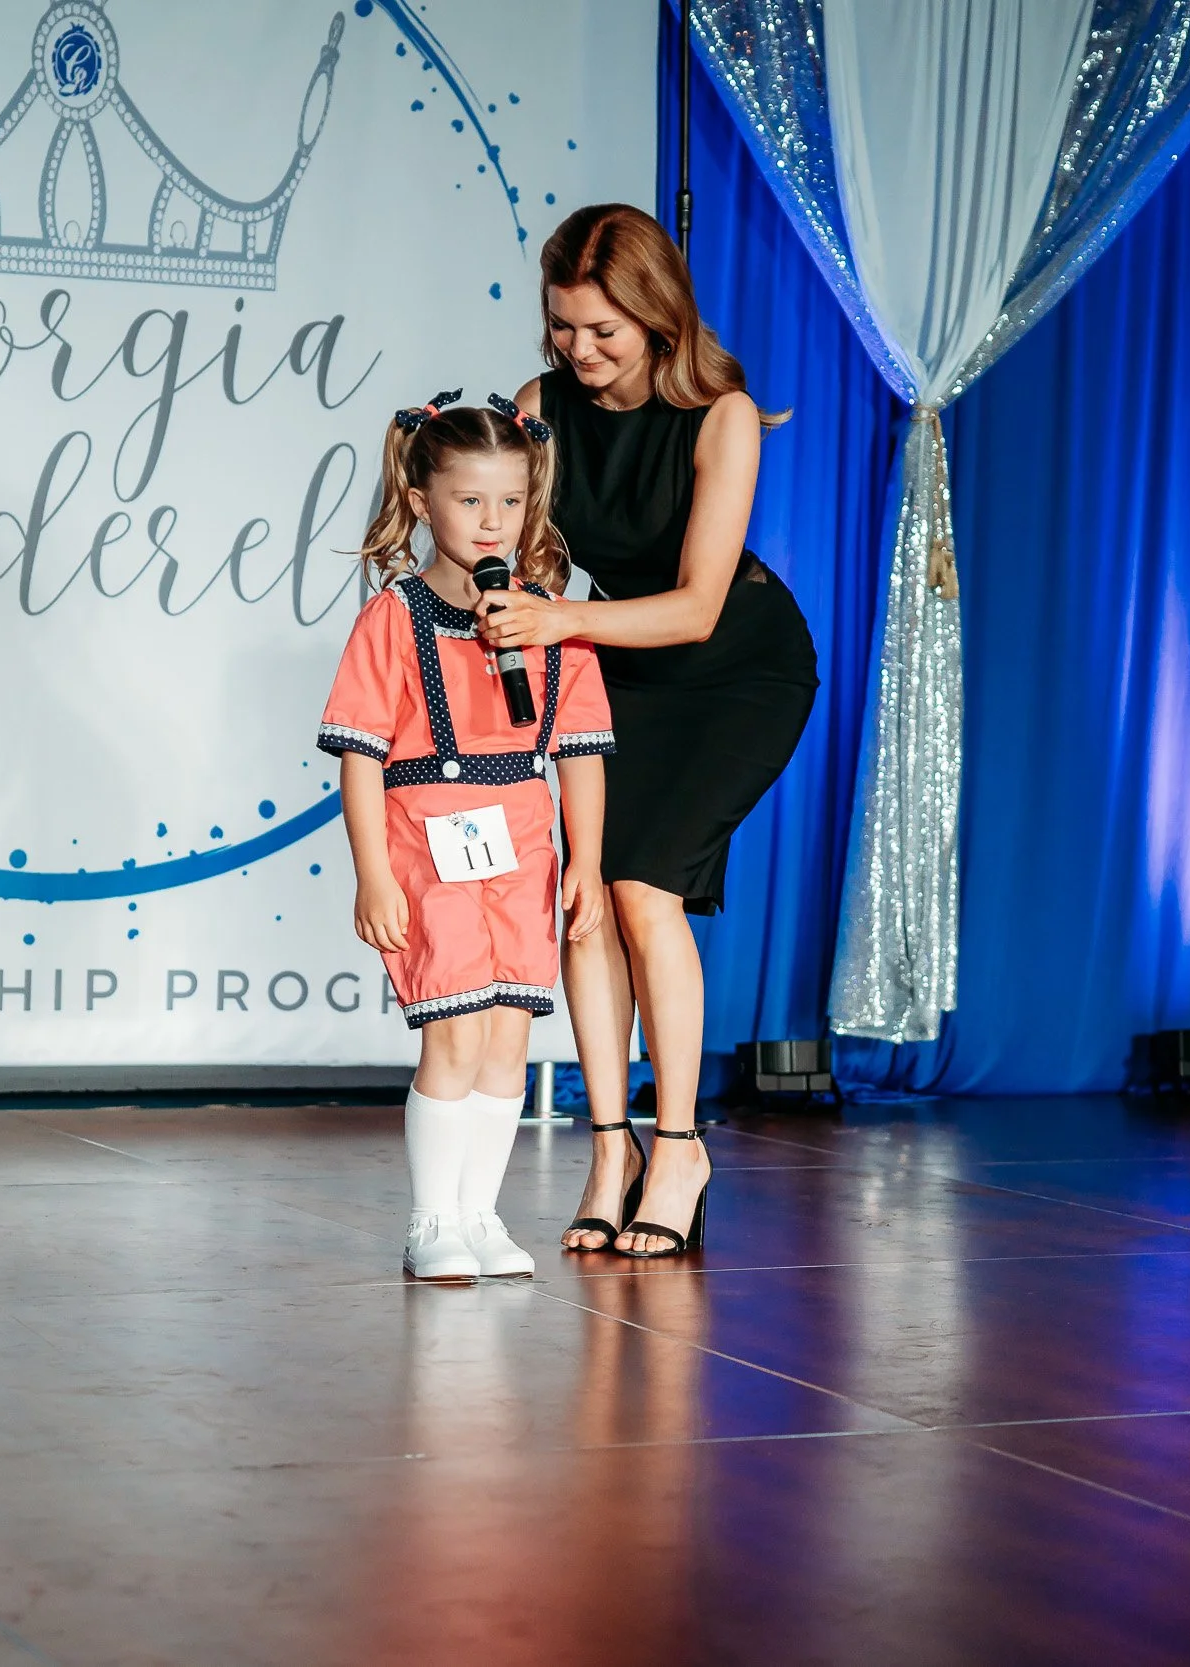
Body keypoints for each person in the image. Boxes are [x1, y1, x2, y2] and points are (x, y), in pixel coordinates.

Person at [477, 204, 818, 1259]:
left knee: (641, 886)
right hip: (615, 667)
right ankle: (611, 1147)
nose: (579, 352)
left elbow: (697, 606)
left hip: (737, 671)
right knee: (584, 899)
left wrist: (560, 614)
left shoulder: (720, 414)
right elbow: (526, 559)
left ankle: (681, 1146)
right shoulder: (540, 410)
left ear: (658, 319)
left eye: (603, 332)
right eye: (563, 327)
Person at [319, 391, 616, 1281]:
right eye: (470, 500)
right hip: (427, 835)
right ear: (422, 501)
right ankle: (431, 1219)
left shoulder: (551, 620)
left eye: (512, 502)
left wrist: (588, 861)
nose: (493, 522)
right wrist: (373, 873)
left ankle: (481, 1214)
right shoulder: (392, 618)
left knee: (508, 1036)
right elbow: (362, 757)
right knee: (451, 1030)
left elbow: (581, 753)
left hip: (522, 838)